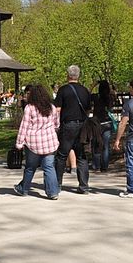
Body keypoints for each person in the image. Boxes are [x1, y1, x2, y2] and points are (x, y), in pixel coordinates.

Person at [13, 84, 61, 199]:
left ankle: (23, 189)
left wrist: (19, 143)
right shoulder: (52, 107)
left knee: (30, 167)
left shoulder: (30, 108)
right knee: (49, 167)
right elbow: (57, 124)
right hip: (49, 142)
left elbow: (24, 127)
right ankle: (53, 192)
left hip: (33, 142)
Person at [54, 65, 92, 193]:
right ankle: (84, 186)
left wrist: (55, 125)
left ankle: (57, 184)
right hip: (82, 125)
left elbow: (57, 109)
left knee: (61, 155)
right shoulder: (85, 90)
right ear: (78, 76)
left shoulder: (63, 90)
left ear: (68, 75)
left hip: (68, 125)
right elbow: (88, 109)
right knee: (81, 155)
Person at [92, 80, 117, 172]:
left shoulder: (96, 97)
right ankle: (105, 166)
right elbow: (114, 93)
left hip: (97, 123)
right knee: (106, 146)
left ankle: (96, 165)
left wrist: (93, 85)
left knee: (96, 145)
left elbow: (87, 94)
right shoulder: (110, 97)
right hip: (107, 123)